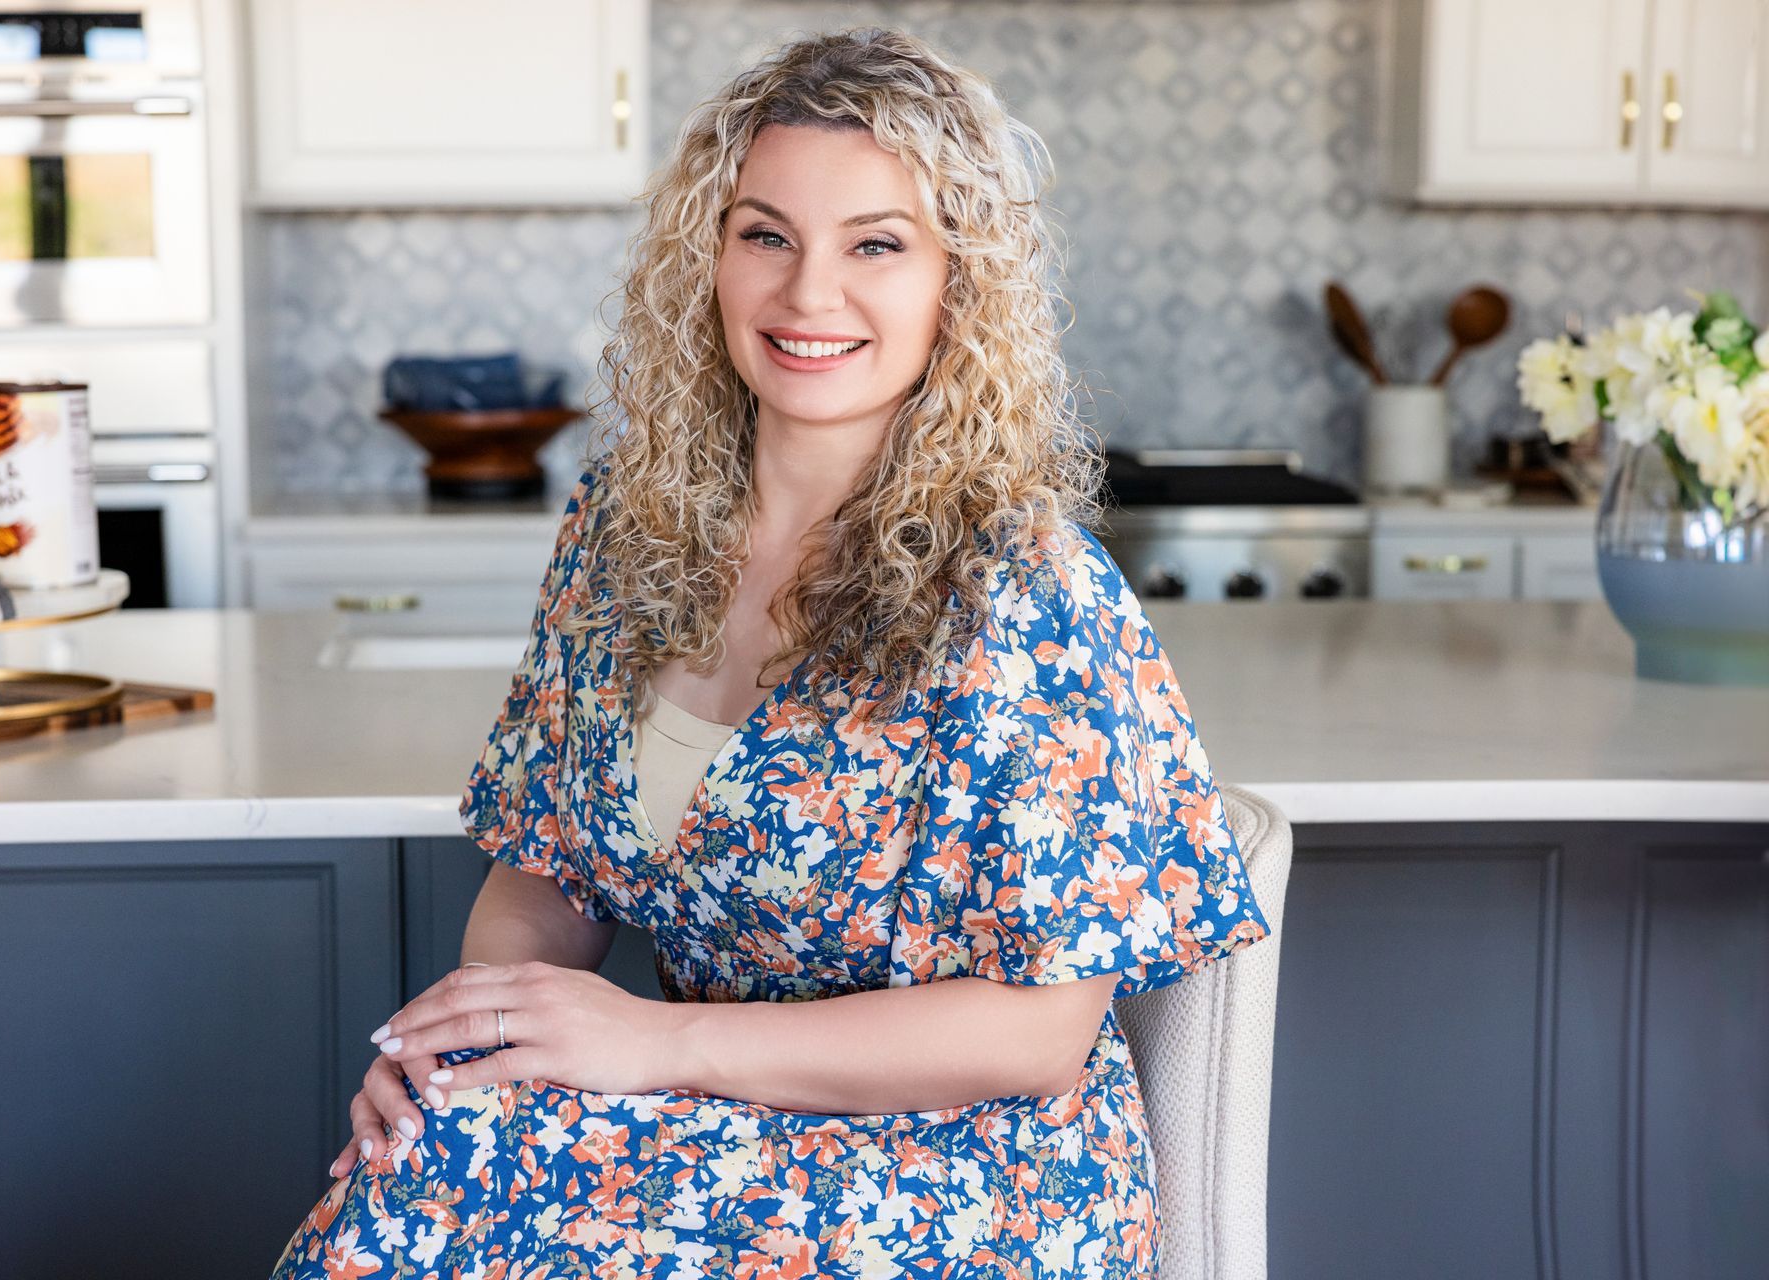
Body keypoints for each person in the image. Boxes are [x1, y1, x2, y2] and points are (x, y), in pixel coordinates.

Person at [269, 25, 1271, 1280]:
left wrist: (658, 1045)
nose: (808, 295)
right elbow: (551, 877)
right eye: (766, 236)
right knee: (432, 1153)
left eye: (877, 245)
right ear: (710, 260)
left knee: (464, 1195)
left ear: (958, 281)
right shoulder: (623, 539)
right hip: (705, 1113)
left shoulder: (1023, 590)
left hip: (971, 1169)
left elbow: (1039, 1034)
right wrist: (471, 1046)